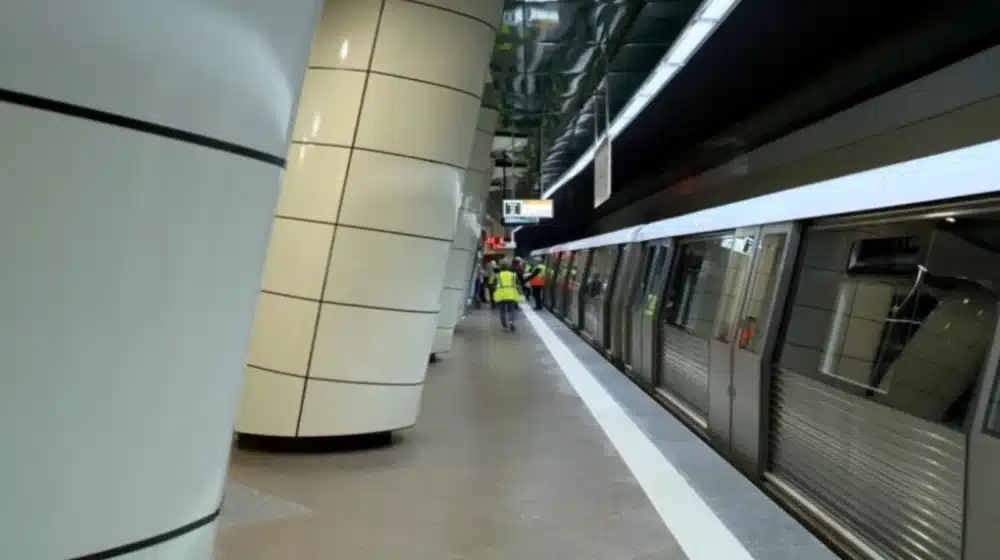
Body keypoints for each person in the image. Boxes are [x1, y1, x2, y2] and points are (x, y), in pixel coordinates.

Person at [492, 260, 522, 332]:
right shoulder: (513, 275)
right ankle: (511, 322)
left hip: (501, 295)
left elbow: (493, 285)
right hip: (511, 294)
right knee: (511, 309)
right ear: (508, 266)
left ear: (500, 267)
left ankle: (504, 327)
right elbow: (517, 284)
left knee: (502, 311)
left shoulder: (498, 275)